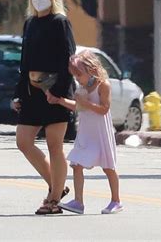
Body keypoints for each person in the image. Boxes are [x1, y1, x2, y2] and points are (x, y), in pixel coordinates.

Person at [12, 0, 76, 215]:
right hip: (31, 91)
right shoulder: (29, 23)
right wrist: (18, 93)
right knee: (23, 141)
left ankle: (54, 200)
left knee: (54, 145)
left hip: (54, 92)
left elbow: (68, 59)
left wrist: (58, 93)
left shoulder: (60, 22)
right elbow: (24, 61)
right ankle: (57, 187)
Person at [50, 50, 123, 214]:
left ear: (91, 69)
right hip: (85, 132)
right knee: (76, 164)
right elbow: (79, 107)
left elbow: (104, 109)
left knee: (108, 167)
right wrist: (60, 101)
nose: (77, 79)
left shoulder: (103, 85)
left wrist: (85, 103)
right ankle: (78, 201)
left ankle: (116, 201)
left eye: (79, 75)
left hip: (100, 132)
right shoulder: (82, 88)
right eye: (75, 76)